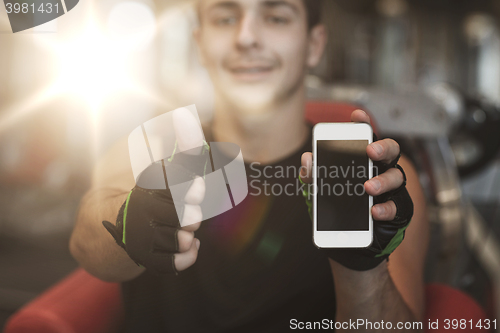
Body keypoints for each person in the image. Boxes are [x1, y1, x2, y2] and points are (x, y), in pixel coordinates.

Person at [70, 0, 429, 331]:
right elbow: (86, 245)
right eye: (226, 18)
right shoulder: (155, 148)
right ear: (200, 43)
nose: (246, 37)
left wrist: (363, 270)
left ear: (314, 44)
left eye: (276, 17)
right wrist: (129, 219)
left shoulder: (377, 181)